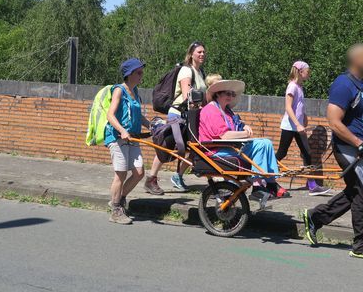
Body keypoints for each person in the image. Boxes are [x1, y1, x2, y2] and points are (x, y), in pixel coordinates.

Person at [302, 44, 363, 261]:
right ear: (356, 60)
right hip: (350, 149)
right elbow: (334, 121)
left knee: (356, 191)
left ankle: (315, 217)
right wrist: (359, 143)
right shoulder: (343, 84)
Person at [198, 78, 289, 202]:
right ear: (218, 94)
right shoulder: (211, 110)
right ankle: (257, 186)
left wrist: (244, 126)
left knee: (266, 143)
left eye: (232, 94)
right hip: (216, 150)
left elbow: (236, 125)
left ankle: (270, 182)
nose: (231, 96)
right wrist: (245, 134)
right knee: (260, 145)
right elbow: (224, 135)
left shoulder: (226, 110)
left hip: (229, 147)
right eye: (227, 93)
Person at [144, 41, 207, 195]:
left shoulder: (201, 73)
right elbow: (188, 96)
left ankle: (177, 176)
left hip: (191, 116)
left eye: (204, 52)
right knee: (168, 145)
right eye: (199, 52)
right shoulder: (186, 71)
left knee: (197, 146)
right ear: (191, 54)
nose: (202, 54)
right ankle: (151, 178)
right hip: (177, 114)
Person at [275, 61, 331, 196]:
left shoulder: (299, 87)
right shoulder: (292, 87)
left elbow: (297, 106)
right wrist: (298, 124)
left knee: (307, 154)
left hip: (297, 127)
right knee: (281, 153)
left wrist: (303, 117)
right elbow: (288, 107)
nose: (309, 74)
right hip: (290, 126)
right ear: (300, 71)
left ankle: (312, 186)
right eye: (308, 71)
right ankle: (264, 177)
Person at [105, 58, 150, 225]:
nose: (141, 76)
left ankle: (119, 200)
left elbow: (138, 115)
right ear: (129, 74)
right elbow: (110, 115)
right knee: (121, 173)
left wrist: (150, 124)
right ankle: (115, 210)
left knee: (139, 172)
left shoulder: (135, 91)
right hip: (118, 138)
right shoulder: (119, 90)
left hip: (133, 137)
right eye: (138, 73)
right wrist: (122, 131)